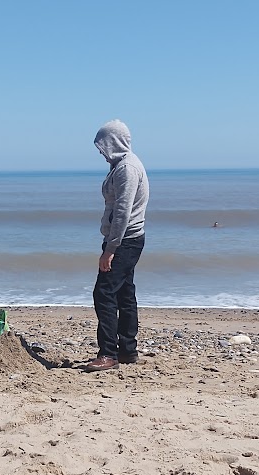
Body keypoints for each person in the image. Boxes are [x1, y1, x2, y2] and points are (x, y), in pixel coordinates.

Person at [85, 119, 149, 372]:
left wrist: (110, 249)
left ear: (114, 142)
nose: (101, 152)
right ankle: (127, 350)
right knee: (124, 293)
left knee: (104, 293)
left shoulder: (127, 169)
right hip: (126, 239)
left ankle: (108, 353)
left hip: (124, 241)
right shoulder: (120, 165)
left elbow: (122, 212)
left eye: (103, 146)